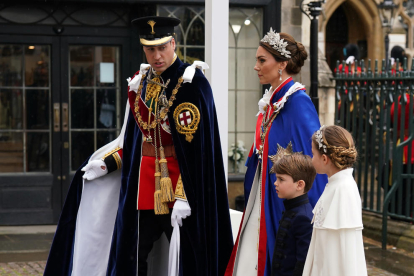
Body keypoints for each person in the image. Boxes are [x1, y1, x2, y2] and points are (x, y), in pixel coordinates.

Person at [44, 16, 233, 276]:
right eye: (150, 48)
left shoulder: (192, 84)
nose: (156, 55)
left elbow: (198, 154)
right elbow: (134, 140)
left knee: (190, 256)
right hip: (144, 188)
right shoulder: (141, 83)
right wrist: (107, 163)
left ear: (173, 43)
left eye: (162, 47)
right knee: (132, 255)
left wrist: (183, 195)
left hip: (183, 189)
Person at [225, 28, 327, 276]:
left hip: (282, 203)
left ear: (281, 64)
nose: (256, 66)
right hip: (263, 198)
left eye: (262, 60)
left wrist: (309, 214)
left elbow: (314, 163)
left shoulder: (297, 101)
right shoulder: (272, 101)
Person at [303, 125, 367, 276]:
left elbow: (344, 251)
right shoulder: (334, 185)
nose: (311, 159)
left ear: (324, 159)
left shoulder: (343, 189)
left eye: (313, 154)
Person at [271, 152, 316, 276]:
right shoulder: (292, 209)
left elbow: (303, 263)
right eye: (276, 178)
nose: (275, 183)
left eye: (281, 179)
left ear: (300, 184)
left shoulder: (303, 217)